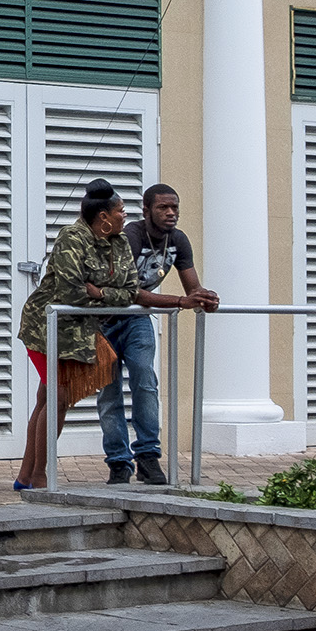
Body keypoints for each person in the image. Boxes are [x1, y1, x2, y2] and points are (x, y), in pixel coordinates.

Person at [16, 181, 147, 492]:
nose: (124, 217)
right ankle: (38, 475)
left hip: (81, 331)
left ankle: (25, 475)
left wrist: (99, 292)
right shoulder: (71, 238)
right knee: (57, 398)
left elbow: (130, 291)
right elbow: (71, 292)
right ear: (103, 216)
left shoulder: (119, 243)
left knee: (47, 399)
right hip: (45, 326)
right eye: (120, 212)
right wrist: (104, 295)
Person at [97, 184, 218, 485]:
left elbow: (193, 289)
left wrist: (205, 298)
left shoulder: (178, 241)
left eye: (175, 207)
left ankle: (148, 458)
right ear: (147, 209)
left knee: (145, 381)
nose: (171, 213)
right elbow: (129, 292)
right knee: (109, 394)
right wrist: (179, 302)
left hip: (135, 320)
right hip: (101, 322)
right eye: (164, 207)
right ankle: (118, 463)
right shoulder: (131, 237)